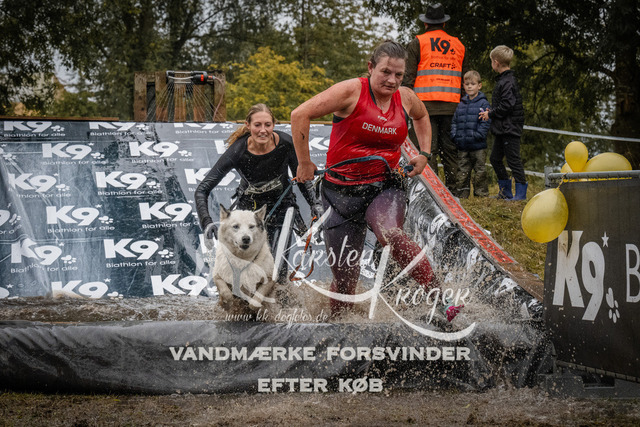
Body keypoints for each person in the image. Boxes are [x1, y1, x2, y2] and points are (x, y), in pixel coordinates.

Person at [291, 40, 462, 320]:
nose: (392, 80)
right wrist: (304, 162)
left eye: (399, 74)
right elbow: (300, 114)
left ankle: (442, 300)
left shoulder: (405, 97)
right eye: (385, 72)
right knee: (345, 282)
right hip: (339, 194)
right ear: (370, 67)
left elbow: (421, 116)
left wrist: (424, 153)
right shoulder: (350, 91)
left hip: (384, 186)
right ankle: (340, 328)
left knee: (390, 234)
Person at [195, 103, 322, 281]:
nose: (263, 130)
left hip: (283, 207)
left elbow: (302, 178)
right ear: (248, 125)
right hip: (249, 213)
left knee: (277, 268)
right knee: (250, 268)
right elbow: (202, 190)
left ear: (274, 125)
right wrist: (206, 222)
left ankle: (282, 296)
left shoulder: (286, 143)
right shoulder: (238, 151)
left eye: (267, 125)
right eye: (257, 125)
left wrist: (316, 204)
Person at [403, 2, 467, 196]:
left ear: (425, 23)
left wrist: (405, 106)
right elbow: (464, 79)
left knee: (426, 149)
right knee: (450, 149)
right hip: (452, 106)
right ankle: (453, 192)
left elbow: (407, 78)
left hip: (423, 107)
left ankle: (431, 191)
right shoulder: (458, 45)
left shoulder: (417, 43)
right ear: (444, 24)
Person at [479, 45, 527, 200]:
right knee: (495, 159)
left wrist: (490, 113)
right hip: (502, 129)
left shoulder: (507, 81)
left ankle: (521, 194)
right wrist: (492, 112)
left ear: (496, 62)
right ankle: (505, 191)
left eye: (491, 61)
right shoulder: (504, 80)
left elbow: (507, 105)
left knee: (513, 161)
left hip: (510, 128)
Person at [451, 70, 490, 198]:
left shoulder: (483, 103)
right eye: (467, 84)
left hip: (478, 145)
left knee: (480, 170)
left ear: (479, 85)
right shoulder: (461, 104)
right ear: (463, 85)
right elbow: (455, 121)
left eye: (472, 84)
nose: (469, 87)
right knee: (462, 170)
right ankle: (462, 194)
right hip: (463, 144)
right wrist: (455, 135)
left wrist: (478, 135)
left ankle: (481, 194)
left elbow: (485, 122)